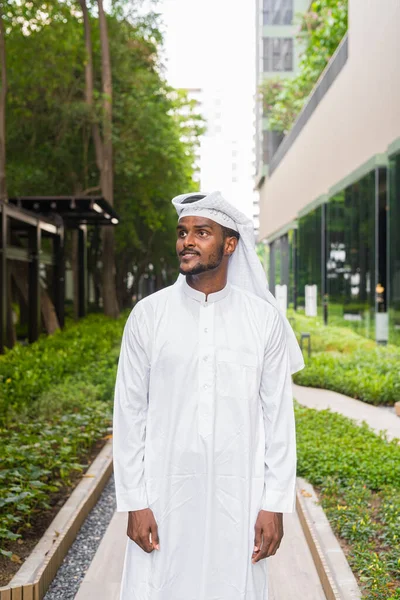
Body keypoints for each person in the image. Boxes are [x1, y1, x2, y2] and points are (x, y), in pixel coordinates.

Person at [113, 191, 304, 600]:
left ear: (230, 244)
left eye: (202, 232)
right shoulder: (148, 315)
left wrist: (275, 504)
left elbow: (278, 420)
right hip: (163, 494)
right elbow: (129, 414)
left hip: (239, 495)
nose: (187, 241)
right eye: (183, 232)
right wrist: (134, 501)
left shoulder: (262, 321)